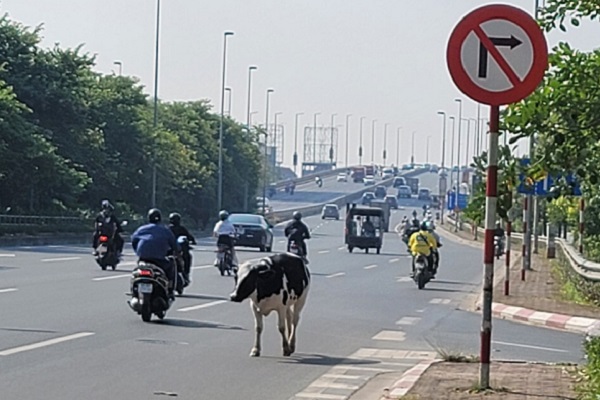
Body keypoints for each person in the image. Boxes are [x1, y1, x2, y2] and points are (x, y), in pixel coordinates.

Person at [131, 208, 178, 298]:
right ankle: (170, 289)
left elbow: (134, 240)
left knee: (136, 272)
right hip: (159, 260)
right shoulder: (165, 230)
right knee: (171, 265)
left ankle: (133, 290)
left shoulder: (141, 229)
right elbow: (174, 245)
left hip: (143, 258)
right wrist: (177, 252)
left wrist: (138, 251)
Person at [168, 212, 197, 284]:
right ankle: (186, 273)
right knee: (187, 257)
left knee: (187, 256)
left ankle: (185, 274)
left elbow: (189, 237)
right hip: (175, 251)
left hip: (173, 251)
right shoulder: (181, 229)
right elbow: (190, 237)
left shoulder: (167, 229)